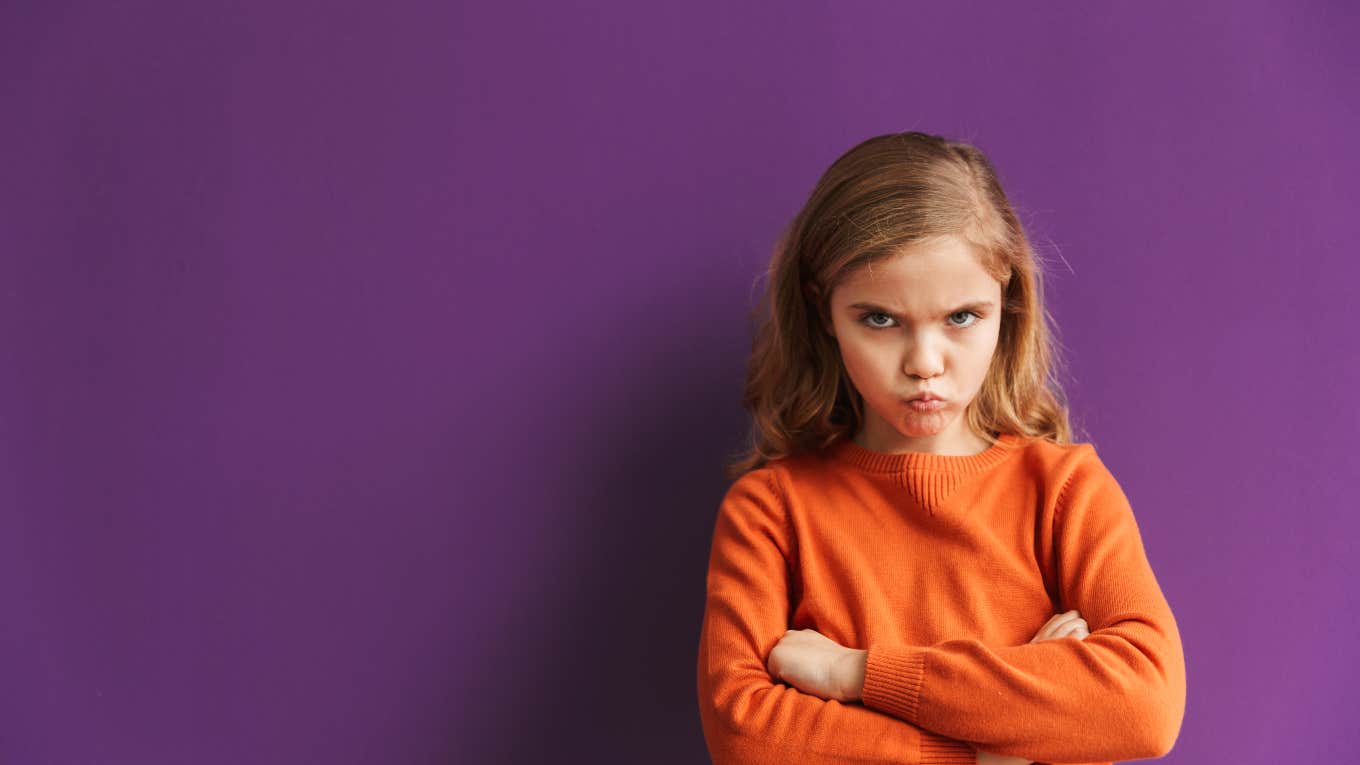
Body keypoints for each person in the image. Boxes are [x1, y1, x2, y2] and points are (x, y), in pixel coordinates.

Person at [695, 131, 1186, 765]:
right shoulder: (770, 510)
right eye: (879, 319)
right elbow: (747, 736)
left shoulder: (1066, 493)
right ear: (824, 313)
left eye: (961, 317)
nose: (925, 363)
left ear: (1006, 305)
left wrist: (856, 674)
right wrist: (992, 746)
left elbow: (1145, 708)